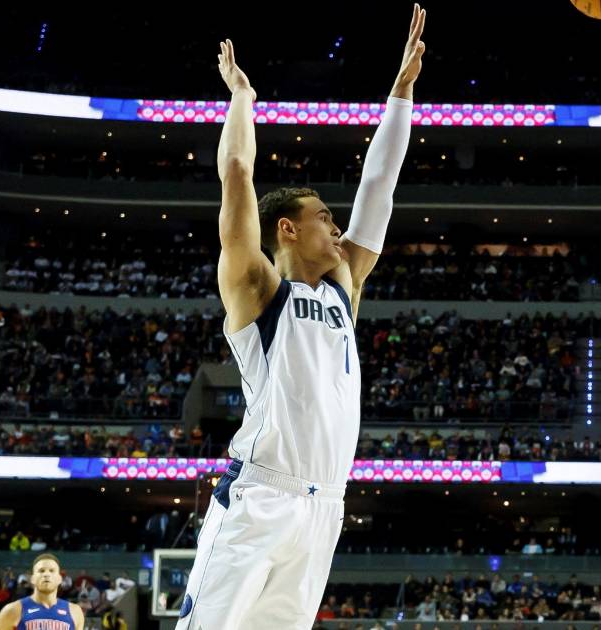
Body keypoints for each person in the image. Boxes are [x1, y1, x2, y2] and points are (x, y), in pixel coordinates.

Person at [175, 7, 426, 630]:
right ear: (286, 228)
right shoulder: (257, 287)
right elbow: (237, 172)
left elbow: (380, 188)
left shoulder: (345, 287)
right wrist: (242, 98)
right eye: (324, 218)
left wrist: (400, 95)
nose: (339, 228)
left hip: (325, 508)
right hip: (259, 496)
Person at [0, 553, 85, 630]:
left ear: (59, 579)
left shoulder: (75, 612)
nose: (46, 574)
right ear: (32, 579)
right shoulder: (12, 610)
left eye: (52, 571)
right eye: (41, 571)